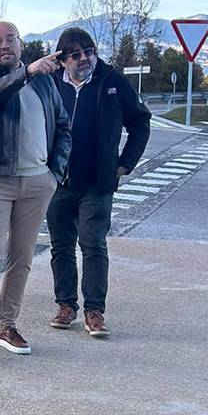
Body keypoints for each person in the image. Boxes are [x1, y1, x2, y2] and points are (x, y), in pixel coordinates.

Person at [0, 21, 70, 358]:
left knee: (21, 258)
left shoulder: (46, 83)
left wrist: (54, 173)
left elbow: (63, 126)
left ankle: (7, 326)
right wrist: (27, 73)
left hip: (37, 182)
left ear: (21, 44)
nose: (5, 45)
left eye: (11, 39)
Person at [46, 27, 151, 338]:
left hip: (97, 183)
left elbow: (140, 122)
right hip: (57, 182)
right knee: (61, 246)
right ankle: (66, 305)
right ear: (62, 60)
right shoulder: (51, 84)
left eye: (89, 51)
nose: (84, 58)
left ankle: (94, 311)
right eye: (76, 54)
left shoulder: (111, 82)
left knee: (93, 243)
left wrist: (125, 163)